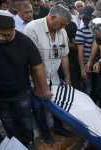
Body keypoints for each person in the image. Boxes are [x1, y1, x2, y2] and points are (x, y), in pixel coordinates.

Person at [0, 10, 51, 148]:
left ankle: (29, 143)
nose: (0, 37)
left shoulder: (24, 42)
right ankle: (16, 145)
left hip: (21, 93)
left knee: (25, 122)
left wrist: (43, 90)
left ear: (14, 29)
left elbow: (38, 67)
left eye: (5, 35)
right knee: (8, 124)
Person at [24, 4, 72, 144]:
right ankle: (45, 134)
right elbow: (31, 62)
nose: (63, 28)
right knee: (38, 107)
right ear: (52, 17)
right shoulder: (32, 29)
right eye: (62, 24)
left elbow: (64, 56)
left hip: (54, 76)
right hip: (35, 78)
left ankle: (58, 127)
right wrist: (41, 86)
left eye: (65, 25)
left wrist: (68, 77)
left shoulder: (62, 32)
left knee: (57, 104)